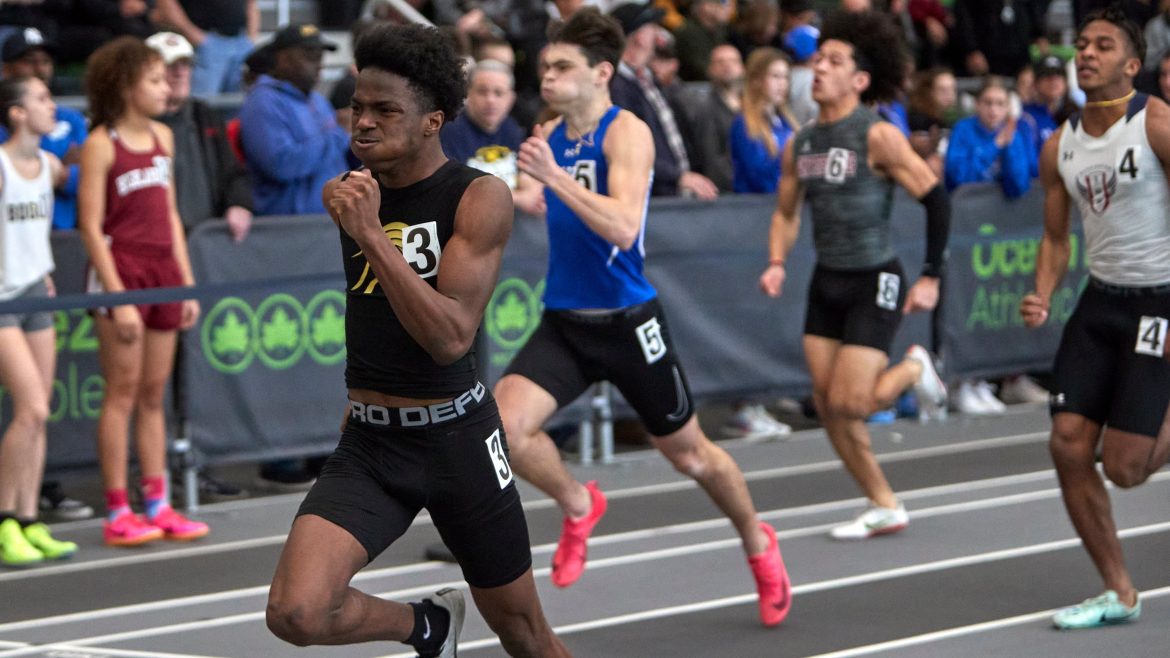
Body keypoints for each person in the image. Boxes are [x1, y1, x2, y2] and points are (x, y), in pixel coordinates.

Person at [265, 23, 570, 658]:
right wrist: (364, 221)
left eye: (385, 111)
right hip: (373, 444)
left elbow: (450, 337)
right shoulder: (350, 194)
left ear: (432, 120)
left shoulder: (479, 196)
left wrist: (374, 235)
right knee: (296, 612)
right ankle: (426, 626)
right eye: (357, 107)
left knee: (525, 636)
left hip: (458, 440)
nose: (363, 124)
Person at [494, 8, 792, 628]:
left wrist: (553, 179)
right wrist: (485, 188)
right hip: (567, 321)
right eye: (544, 65)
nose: (545, 76)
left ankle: (758, 542)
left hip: (629, 322)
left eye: (561, 67)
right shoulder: (549, 131)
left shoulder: (625, 131)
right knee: (504, 427)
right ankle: (579, 503)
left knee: (691, 457)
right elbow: (530, 201)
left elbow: (624, 224)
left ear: (601, 72)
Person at [758, 10, 950, 540]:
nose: (818, 68)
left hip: (875, 279)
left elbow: (936, 201)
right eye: (817, 59)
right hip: (828, 280)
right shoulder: (800, 143)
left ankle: (914, 369)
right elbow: (786, 213)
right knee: (829, 407)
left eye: (833, 61)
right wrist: (776, 261)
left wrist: (931, 275)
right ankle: (883, 502)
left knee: (852, 402)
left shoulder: (879, 135)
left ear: (860, 80)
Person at [1020, 7, 1170, 630]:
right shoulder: (1061, 143)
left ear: (1131, 65)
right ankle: (1118, 590)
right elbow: (1056, 239)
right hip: (1100, 301)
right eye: (1081, 44)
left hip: (1160, 300)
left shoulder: (1157, 124)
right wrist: (1042, 291)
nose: (1085, 53)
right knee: (1066, 443)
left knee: (1128, 468)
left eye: (1102, 46)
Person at [77, 36, 208, 547]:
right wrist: (116, 297)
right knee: (122, 394)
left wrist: (185, 281)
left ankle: (158, 502)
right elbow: (91, 228)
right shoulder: (100, 143)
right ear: (126, 85)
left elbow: (170, 215)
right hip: (121, 274)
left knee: (155, 395)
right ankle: (117, 509)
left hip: (163, 272)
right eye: (154, 79)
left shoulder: (163, 138)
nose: (163, 88)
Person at [0, 75, 78, 567]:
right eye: (42, 100)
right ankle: (5, 517)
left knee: (40, 411)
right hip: (3, 300)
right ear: (16, 113)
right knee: (28, 408)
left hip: (36, 293)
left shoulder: (49, 166)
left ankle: (30, 520)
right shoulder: (2, 167)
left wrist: (44, 269)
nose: (53, 107)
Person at [609, 1, 719, 200]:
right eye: (652, 28)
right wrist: (676, 176)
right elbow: (630, 148)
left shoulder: (649, 80)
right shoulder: (618, 87)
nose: (658, 34)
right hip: (654, 200)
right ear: (639, 37)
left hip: (676, 193)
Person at [237, 24, 350, 216]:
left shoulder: (319, 101)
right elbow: (281, 165)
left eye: (320, 57)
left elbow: (339, 157)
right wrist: (339, 133)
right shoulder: (263, 101)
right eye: (310, 55)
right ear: (282, 59)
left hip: (331, 220)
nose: (319, 64)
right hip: (290, 227)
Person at [0, 27, 88, 231]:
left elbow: (90, 176)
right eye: (29, 61)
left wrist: (43, 172)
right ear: (6, 69)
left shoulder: (70, 118)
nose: (40, 68)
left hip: (66, 231)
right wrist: (62, 165)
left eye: (45, 61)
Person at [439, 59, 544, 215]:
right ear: (468, 95)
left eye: (498, 93)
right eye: (482, 91)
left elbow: (522, 173)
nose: (490, 100)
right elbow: (456, 191)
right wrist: (519, 199)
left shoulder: (511, 128)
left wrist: (533, 188)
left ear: (511, 99)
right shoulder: (450, 132)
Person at [944, 76, 1034, 200]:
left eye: (1000, 104)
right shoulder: (963, 129)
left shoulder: (1012, 135)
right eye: (988, 102)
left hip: (1000, 211)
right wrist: (995, 145)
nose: (993, 109)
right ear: (977, 104)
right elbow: (960, 178)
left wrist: (1008, 148)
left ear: (1008, 108)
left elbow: (1019, 188)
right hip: (965, 207)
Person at [154, 0, 259, 96]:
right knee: (203, 105)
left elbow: (251, 4)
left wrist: (250, 39)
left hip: (241, 41)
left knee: (240, 105)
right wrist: (194, 35)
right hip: (206, 41)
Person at [730, 47, 797, 193]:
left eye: (786, 77)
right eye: (775, 76)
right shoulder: (743, 124)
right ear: (756, 80)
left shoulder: (786, 122)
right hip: (756, 207)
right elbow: (757, 176)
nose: (782, 84)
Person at [687, 43, 743, 193]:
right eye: (720, 62)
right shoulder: (705, 109)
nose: (727, 66)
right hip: (730, 191)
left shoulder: (753, 106)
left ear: (742, 67)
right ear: (710, 69)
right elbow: (711, 159)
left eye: (733, 61)